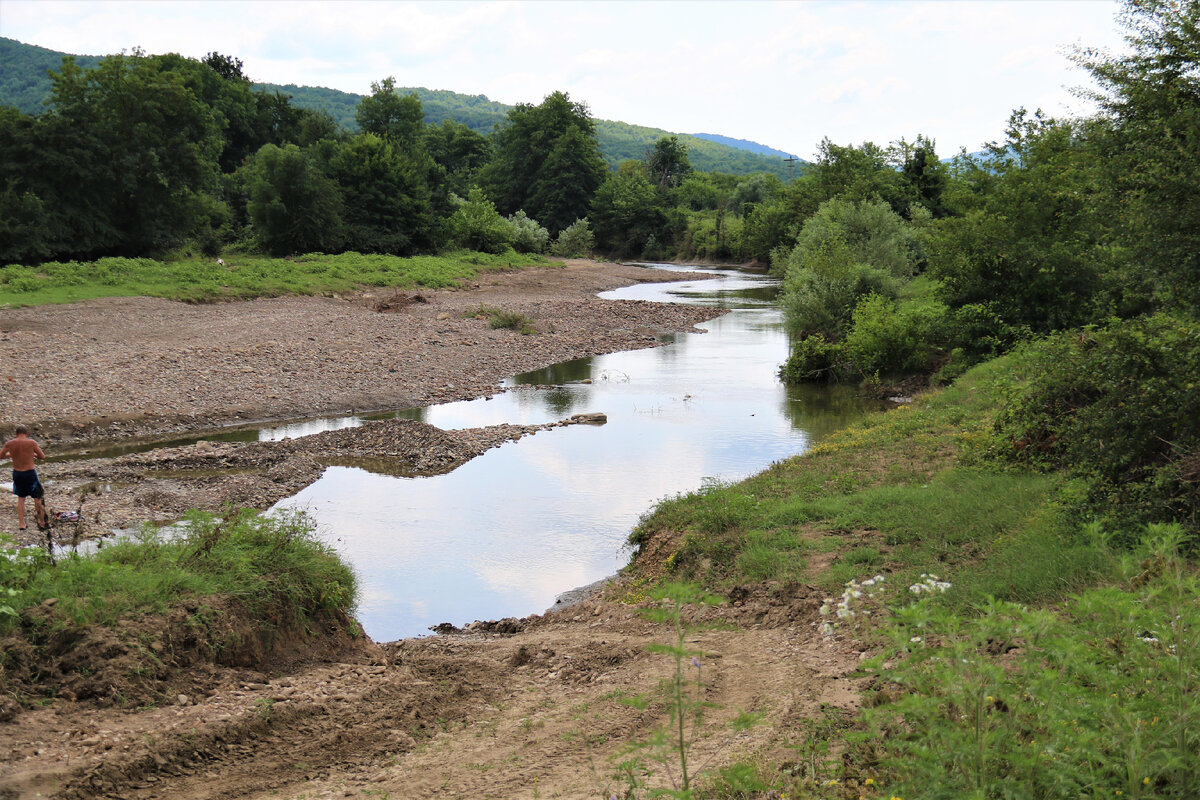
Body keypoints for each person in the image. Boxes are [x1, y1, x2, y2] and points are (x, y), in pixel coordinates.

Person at [0, 424, 46, 531]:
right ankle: (42, 522)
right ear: (27, 433)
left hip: (18, 473)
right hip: (30, 473)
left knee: (21, 499)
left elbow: (1, 456)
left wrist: (12, 455)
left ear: (16, 434)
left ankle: (21, 523)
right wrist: (32, 455)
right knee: (37, 498)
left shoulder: (10, 443)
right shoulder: (31, 443)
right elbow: (42, 456)